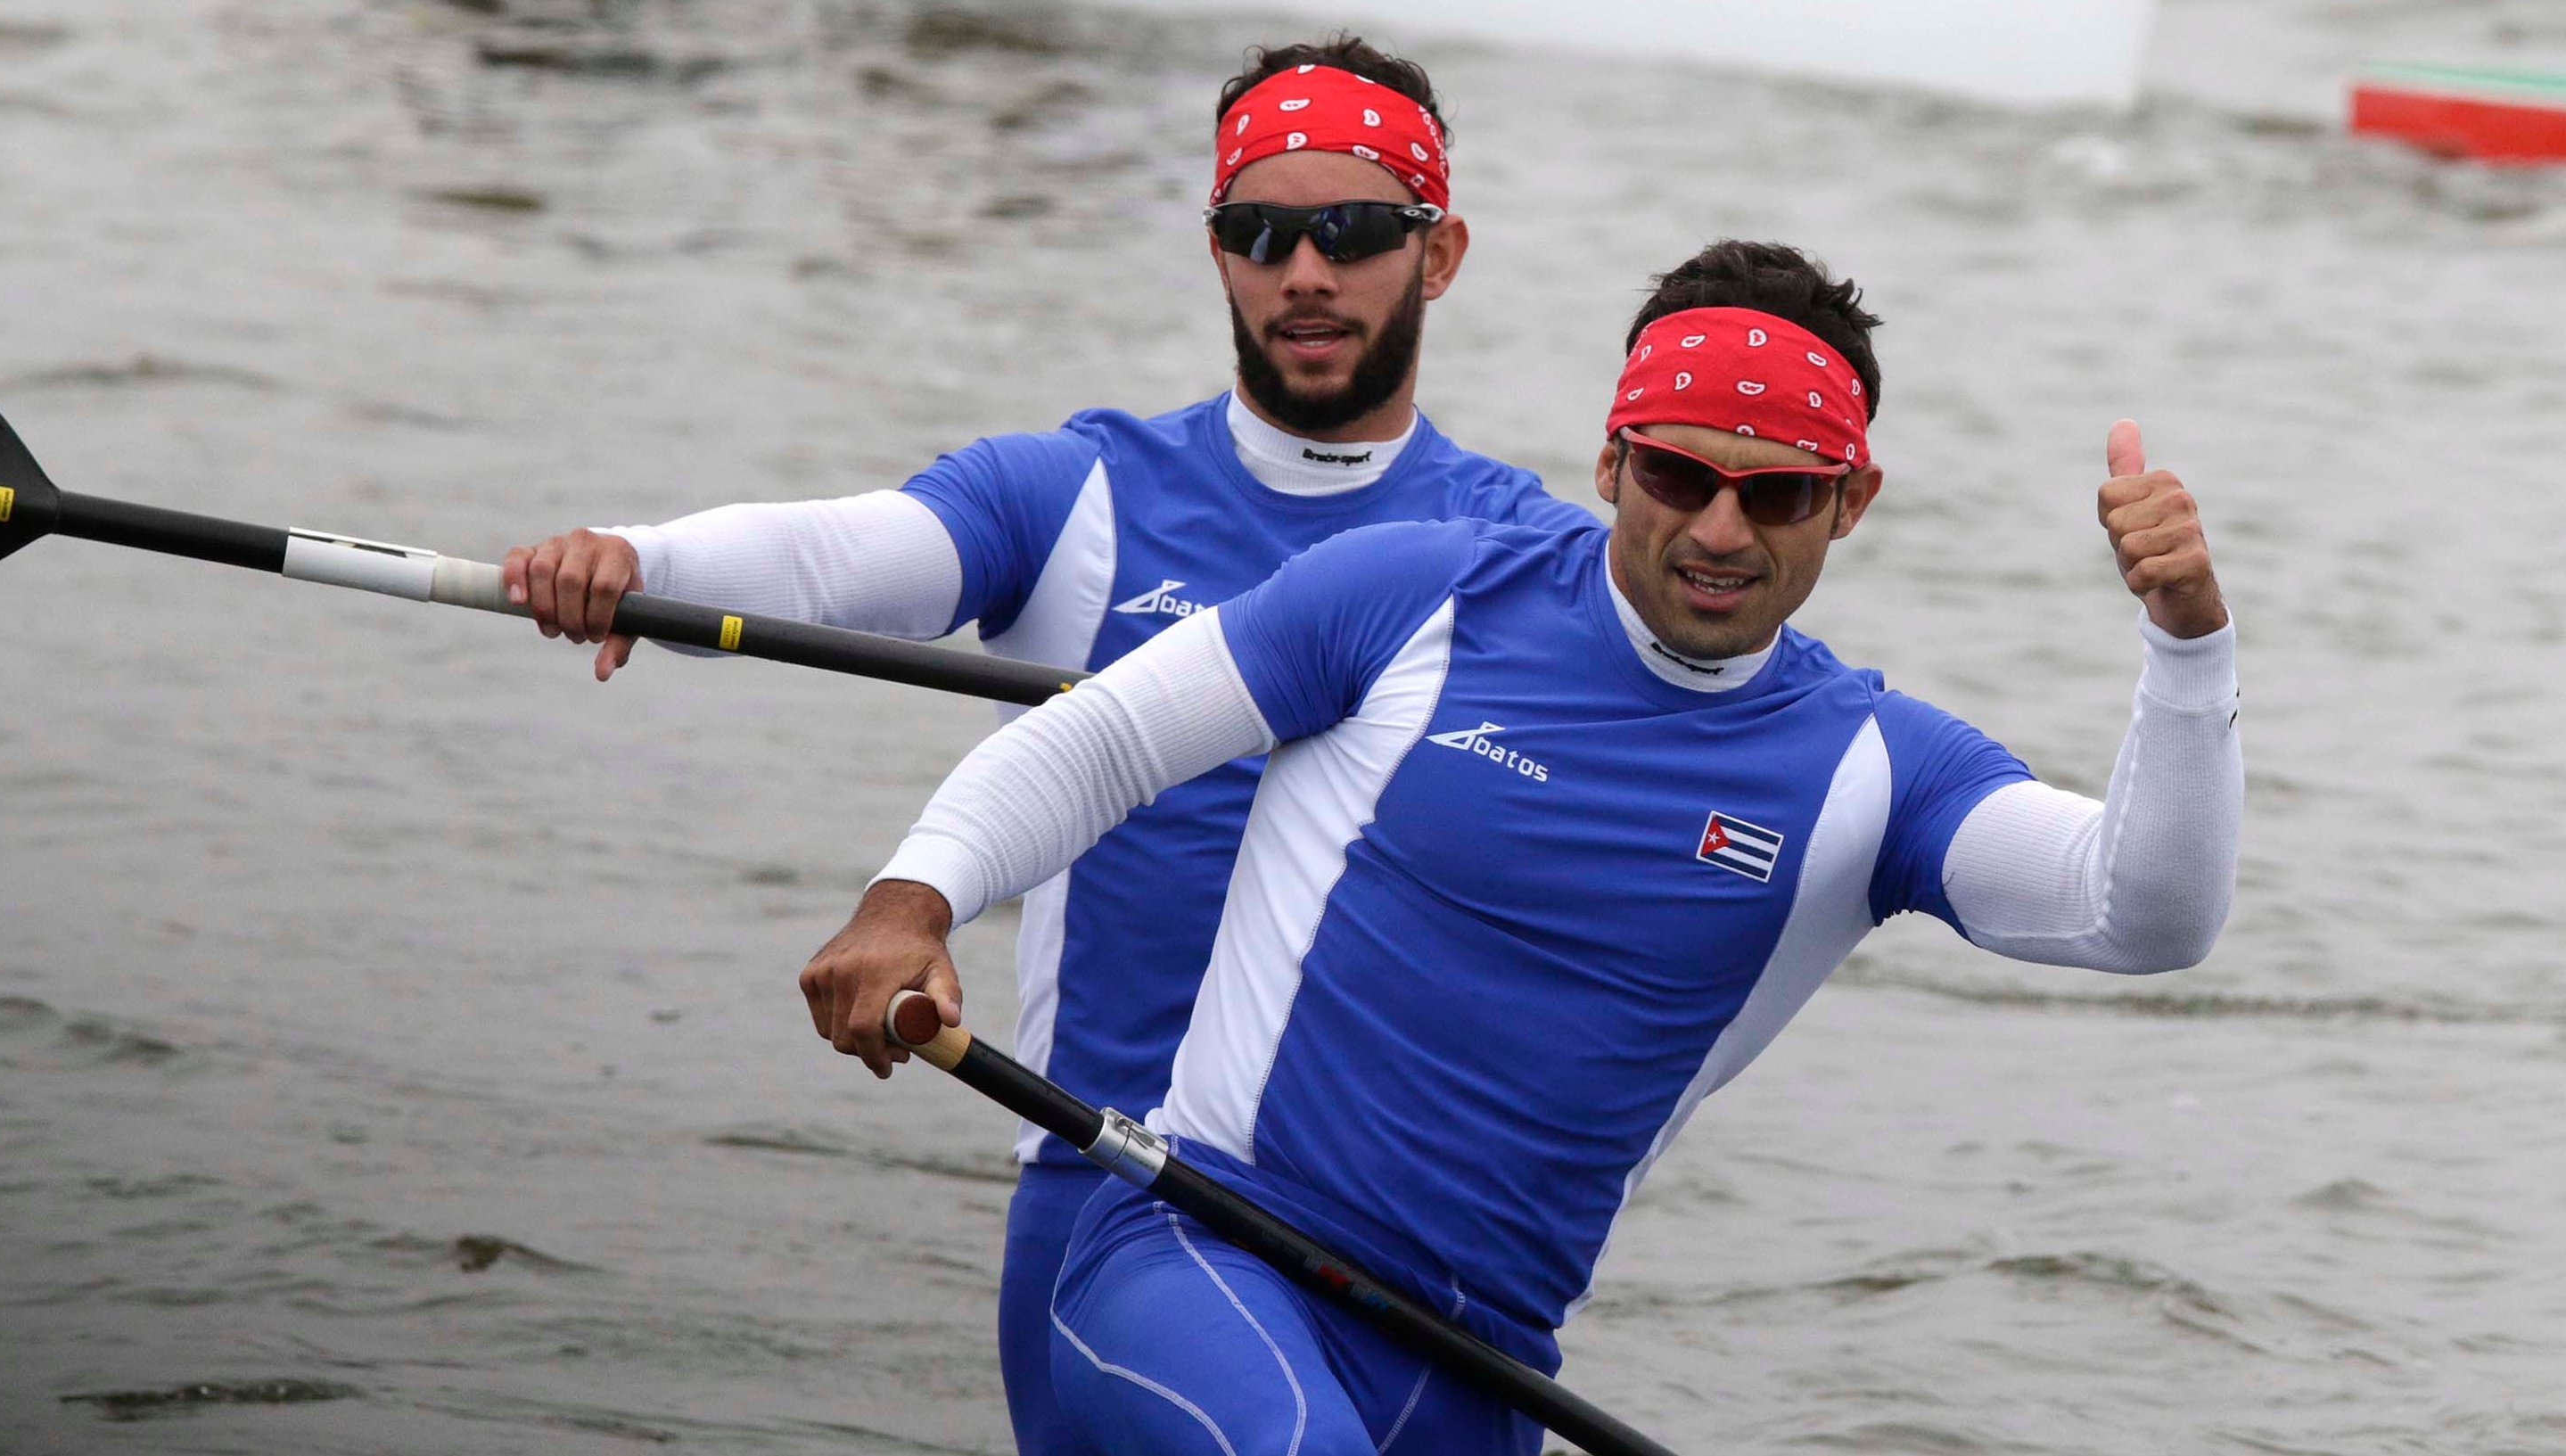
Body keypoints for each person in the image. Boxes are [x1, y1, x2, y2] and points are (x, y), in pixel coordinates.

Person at [802, 240, 2243, 1453]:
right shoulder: (1412, 595)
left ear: (1850, 504)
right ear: (1614, 460)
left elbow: (2145, 911)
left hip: (1479, 1366)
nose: (1721, 528)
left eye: (1780, 492)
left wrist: (2187, 651)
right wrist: (908, 901)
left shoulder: (1877, 769)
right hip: (1198, 1249)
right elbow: (1098, 740)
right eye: (1680, 475)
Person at [498, 36, 1591, 1456]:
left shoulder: (1538, 560)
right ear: (1218, 255)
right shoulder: (1083, 495)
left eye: (1353, 231)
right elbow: (835, 556)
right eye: (1257, 232)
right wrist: (634, 555)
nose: (1303, 273)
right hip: (1113, 1199)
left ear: (1435, 256)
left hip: (1407, 1250)